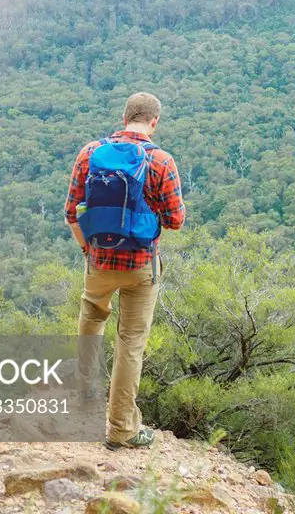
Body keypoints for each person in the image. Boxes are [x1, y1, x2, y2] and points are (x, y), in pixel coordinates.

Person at [65, 92, 185, 449]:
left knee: (90, 324)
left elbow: (72, 212)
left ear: (124, 117)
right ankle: (122, 430)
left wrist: (88, 248)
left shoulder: (90, 152)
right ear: (154, 122)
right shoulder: (161, 161)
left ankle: (82, 408)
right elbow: (176, 221)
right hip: (140, 267)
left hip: (99, 260)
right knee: (130, 344)